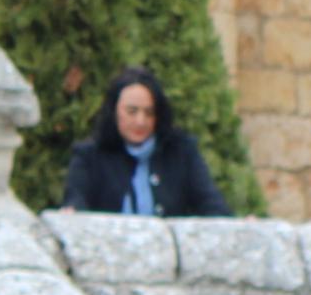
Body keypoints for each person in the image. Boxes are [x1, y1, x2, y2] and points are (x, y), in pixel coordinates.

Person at [60, 70, 232, 219]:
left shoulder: (182, 152)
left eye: (149, 113)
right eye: (132, 112)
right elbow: (76, 200)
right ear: (114, 112)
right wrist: (72, 211)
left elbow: (210, 203)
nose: (140, 121)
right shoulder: (89, 156)